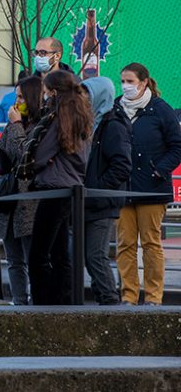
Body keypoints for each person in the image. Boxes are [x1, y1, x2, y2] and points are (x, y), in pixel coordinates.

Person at [18, 70, 92, 306]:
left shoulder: (56, 118)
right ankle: (64, 300)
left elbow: (40, 155)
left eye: (47, 91)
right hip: (71, 187)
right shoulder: (79, 113)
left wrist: (40, 159)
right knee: (60, 252)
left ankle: (43, 303)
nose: (45, 95)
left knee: (39, 252)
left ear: (54, 91)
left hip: (54, 187)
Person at [116, 63, 181, 306]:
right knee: (125, 244)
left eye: (130, 81)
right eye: (122, 80)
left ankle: (154, 297)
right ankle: (128, 296)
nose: (125, 86)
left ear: (143, 82)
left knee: (151, 244)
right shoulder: (117, 107)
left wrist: (159, 170)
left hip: (151, 188)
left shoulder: (161, 110)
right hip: (123, 187)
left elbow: (177, 147)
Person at [0, 76, 43, 305]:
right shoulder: (13, 123)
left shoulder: (40, 125)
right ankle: (19, 299)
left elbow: (26, 156)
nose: (16, 101)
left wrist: (18, 125)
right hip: (9, 197)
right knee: (13, 257)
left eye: (21, 97)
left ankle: (37, 300)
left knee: (32, 256)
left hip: (29, 199)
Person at [81, 76, 132, 306]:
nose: (82, 100)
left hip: (101, 201)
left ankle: (110, 300)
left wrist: (97, 188)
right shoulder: (92, 123)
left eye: (86, 95)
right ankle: (103, 298)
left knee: (95, 256)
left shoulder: (112, 126)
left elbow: (122, 165)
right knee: (89, 256)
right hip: (89, 199)